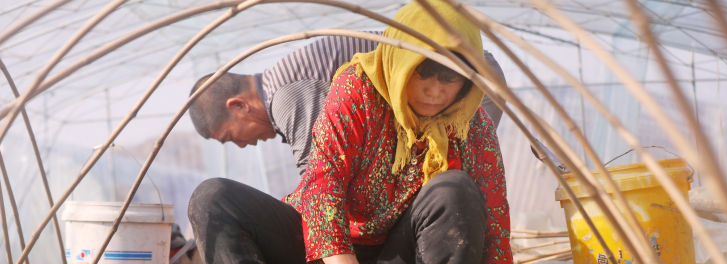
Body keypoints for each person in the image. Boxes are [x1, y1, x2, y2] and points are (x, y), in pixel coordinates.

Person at [186, 0, 517, 264]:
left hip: (406, 255)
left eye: (450, 79)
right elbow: (323, 186)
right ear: (397, 61)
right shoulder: (357, 88)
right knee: (214, 197)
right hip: (326, 258)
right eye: (422, 74)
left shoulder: (471, 121)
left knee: (457, 188)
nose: (434, 91)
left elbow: (495, 225)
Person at [187, 36, 506, 176]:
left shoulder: (285, 95)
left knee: (450, 183)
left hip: (465, 79)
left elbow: (318, 174)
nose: (242, 145)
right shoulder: (283, 84)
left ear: (239, 106)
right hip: (464, 75)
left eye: (231, 137)